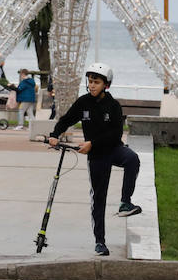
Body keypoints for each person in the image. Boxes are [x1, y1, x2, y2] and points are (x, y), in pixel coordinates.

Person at [48, 62, 142, 257]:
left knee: (132, 159)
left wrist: (92, 143)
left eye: (96, 82)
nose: (91, 85)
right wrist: (55, 134)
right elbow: (66, 120)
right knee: (98, 199)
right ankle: (100, 242)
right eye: (90, 81)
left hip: (114, 149)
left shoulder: (113, 105)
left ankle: (125, 202)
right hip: (97, 157)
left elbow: (116, 134)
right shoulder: (83, 103)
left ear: (106, 85)